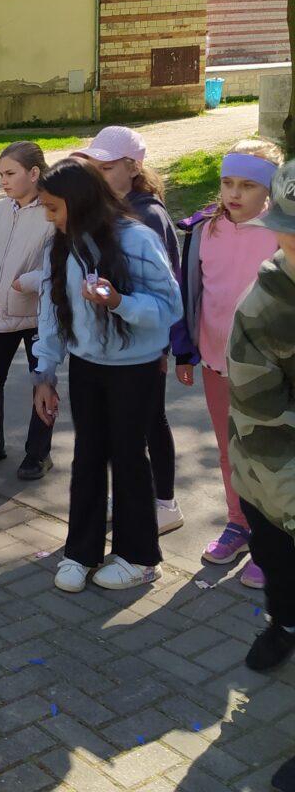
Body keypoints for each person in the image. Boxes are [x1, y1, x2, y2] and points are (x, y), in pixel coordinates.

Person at [32, 158, 182, 593]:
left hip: (135, 370)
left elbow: (170, 307)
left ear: (80, 202)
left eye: (54, 208)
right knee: (88, 458)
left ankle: (140, 558)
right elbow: (52, 310)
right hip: (86, 367)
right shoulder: (62, 244)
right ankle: (81, 552)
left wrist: (119, 303)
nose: (49, 218)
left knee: (129, 458)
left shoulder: (137, 239)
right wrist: (44, 373)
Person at [171, 137, 282, 588]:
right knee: (230, 450)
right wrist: (185, 349)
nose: (234, 194)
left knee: (268, 457)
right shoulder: (204, 229)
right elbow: (190, 291)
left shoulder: (282, 232)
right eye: (227, 182)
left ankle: (273, 543)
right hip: (216, 361)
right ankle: (239, 523)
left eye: (247, 186)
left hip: (270, 371)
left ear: (270, 189)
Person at [74, 127, 184, 533]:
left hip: (146, 342)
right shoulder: (109, 209)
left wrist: (163, 349)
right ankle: (132, 496)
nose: (97, 175)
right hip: (116, 341)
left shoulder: (147, 215)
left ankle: (165, 503)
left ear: (134, 167)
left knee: (150, 420)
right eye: (94, 167)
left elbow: (166, 290)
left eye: (106, 168)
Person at [227, 162, 295, 792]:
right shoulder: (265, 308)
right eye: (288, 233)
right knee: (281, 571)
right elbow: (263, 425)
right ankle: (284, 624)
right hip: (277, 485)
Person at [0, 141, 56, 479]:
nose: (3, 181)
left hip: (38, 314)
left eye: (10, 173)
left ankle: (38, 454)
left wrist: (30, 281)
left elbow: (61, 264)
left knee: (43, 382)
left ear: (34, 173)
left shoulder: (52, 212)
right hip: (0, 313)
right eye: (0, 174)